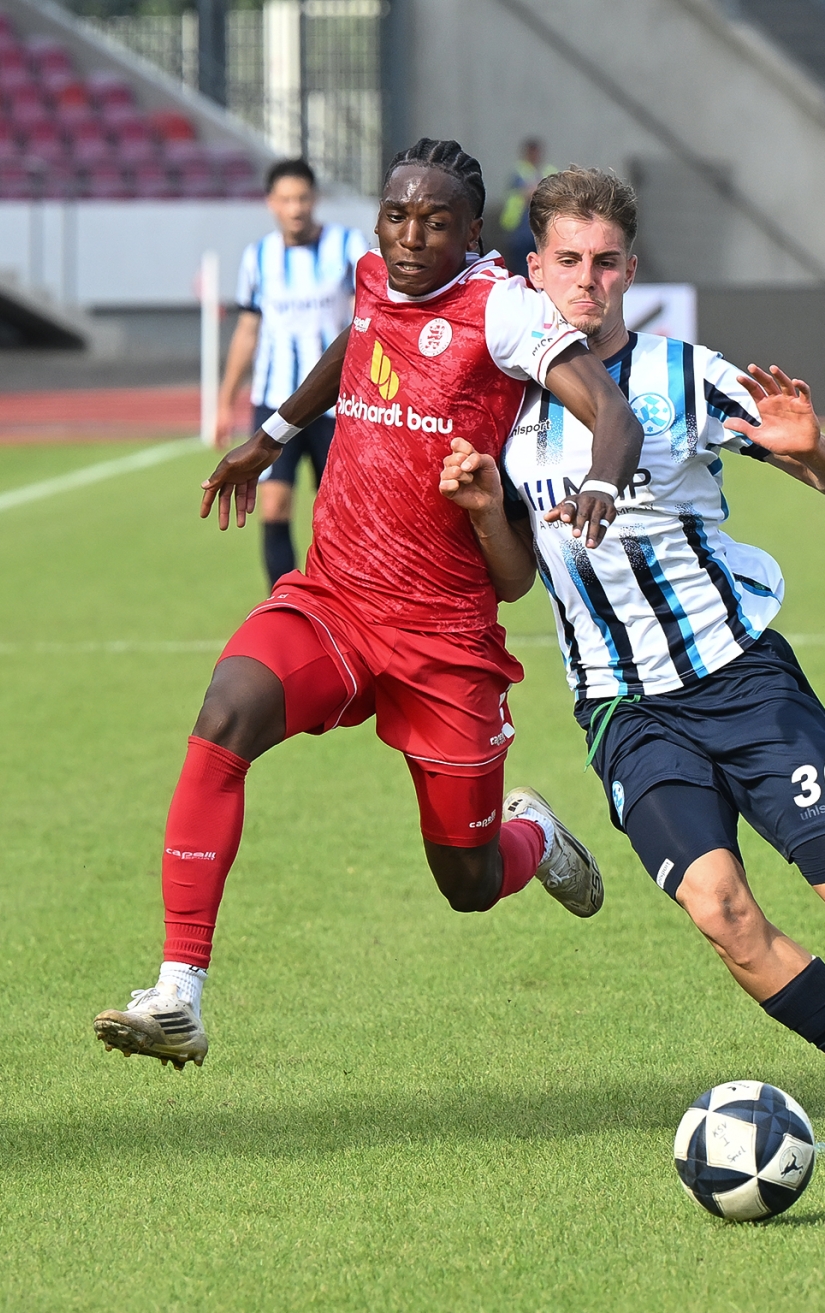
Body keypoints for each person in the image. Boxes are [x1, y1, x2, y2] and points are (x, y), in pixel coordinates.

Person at [90, 139, 646, 1071]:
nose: (411, 236)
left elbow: (611, 413)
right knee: (224, 715)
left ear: (473, 234)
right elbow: (358, 337)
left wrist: (601, 480)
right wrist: (271, 435)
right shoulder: (374, 277)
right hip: (337, 598)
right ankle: (178, 990)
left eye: (436, 221)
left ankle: (536, 835)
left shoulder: (503, 311)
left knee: (467, 880)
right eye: (397, 215)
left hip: (443, 635)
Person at [497, 167, 825, 1152]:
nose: (587, 280)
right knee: (719, 906)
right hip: (622, 708)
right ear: (534, 271)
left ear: (631, 270)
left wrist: (815, 449)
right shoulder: (497, 406)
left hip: (737, 673)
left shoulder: (683, 375)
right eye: (568, 261)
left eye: (605, 262)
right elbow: (509, 574)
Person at [214, 158, 370, 588]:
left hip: (336, 402)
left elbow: (369, 317)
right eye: (286, 200)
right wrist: (226, 402)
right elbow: (248, 331)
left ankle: (347, 602)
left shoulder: (347, 246)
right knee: (273, 506)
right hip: (274, 400)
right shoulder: (257, 257)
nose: (295, 208)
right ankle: (284, 607)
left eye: (302, 198)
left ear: (314, 199)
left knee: (340, 513)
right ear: (271, 203)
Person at [498, 136, 547, 271]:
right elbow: (524, 195)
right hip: (519, 228)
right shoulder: (519, 172)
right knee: (521, 267)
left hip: (539, 228)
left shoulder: (545, 171)